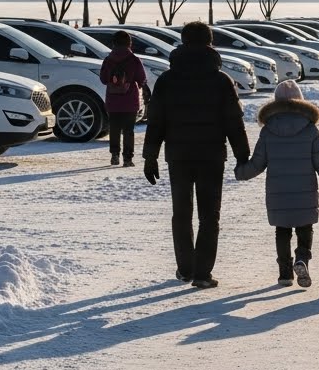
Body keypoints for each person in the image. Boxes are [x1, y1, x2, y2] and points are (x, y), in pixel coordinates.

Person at [142, 21, 249, 289]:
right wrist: (242, 155)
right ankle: (202, 274)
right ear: (210, 43)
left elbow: (156, 121)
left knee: (181, 213)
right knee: (209, 215)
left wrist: (150, 156)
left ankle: (185, 269)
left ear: (183, 42)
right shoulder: (221, 80)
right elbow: (233, 122)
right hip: (212, 155)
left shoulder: (167, 79)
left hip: (177, 154)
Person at [234, 80, 319, 288]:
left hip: (278, 193)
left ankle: (284, 273)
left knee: (282, 231)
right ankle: (302, 259)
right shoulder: (310, 129)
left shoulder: (268, 130)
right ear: (300, 101)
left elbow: (258, 163)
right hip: (305, 192)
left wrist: (241, 172)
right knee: (304, 228)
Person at [99, 29, 150, 166]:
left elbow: (103, 79)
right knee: (129, 130)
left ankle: (114, 155)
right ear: (129, 43)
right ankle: (128, 158)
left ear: (113, 43)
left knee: (114, 129)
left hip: (113, 100)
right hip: (130, 101)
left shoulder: (108, 60)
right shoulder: (134, 60)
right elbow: (142, 79)